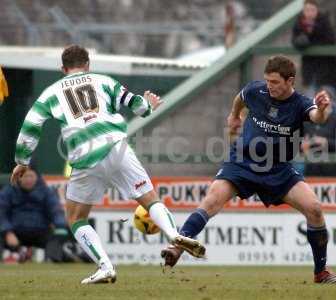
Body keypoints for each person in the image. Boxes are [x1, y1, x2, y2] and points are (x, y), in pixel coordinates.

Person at [11, 45, 205, 284]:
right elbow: (136, 105)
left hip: (85, 157)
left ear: (63, 69)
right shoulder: (103, 81)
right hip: (117, 146)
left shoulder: (51, 92)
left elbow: (30, 128)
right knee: (150, 198)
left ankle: (105, 266)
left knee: (76, 218)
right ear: (88, 64)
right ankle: (174, 234)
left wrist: (22, 161)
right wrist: (147, 105)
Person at [161, 55, 336, 284]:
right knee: (211, 200)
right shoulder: (257, 91)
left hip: (278, 168)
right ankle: (178, 246)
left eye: (275, 82)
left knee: (315, 209)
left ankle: (321, 272)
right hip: (243, 161)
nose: (270, 86)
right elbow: (240, 97)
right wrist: (234, 115)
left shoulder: (300, 103)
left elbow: (317, 117)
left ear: (290, 81)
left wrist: (324, 109)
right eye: (268, 81)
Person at [0, 168, 67, 263]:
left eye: (31, 176)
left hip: (40, 231)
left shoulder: (46, 191)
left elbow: (55, 210)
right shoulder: (8, 191)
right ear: (19, 177)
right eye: (25, 176)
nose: (28, 179)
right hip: (15, 232)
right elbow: (2, 213)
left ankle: (52, 261)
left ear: (37, 177)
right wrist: (7, 232)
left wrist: (60, 225)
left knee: (61, 232)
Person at [291, 0, 336, 99]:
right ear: (303, 11)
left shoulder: (324, 22)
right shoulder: (299, 23)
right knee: (310, 102)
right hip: (309, 69)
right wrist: (301, 40)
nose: (309, 13)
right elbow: (295, 41)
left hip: (326, 69)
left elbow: (331, 40)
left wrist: (312, 35)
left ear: (317, 10)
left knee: (326, 103)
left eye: (312, 10)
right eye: (307, 10)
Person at [302, 100, 336, 177]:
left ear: (330, 107)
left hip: (333, 168)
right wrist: (303, 145)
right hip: (311, 168)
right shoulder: (307, 122)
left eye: (324, 107)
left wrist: (326, 142)